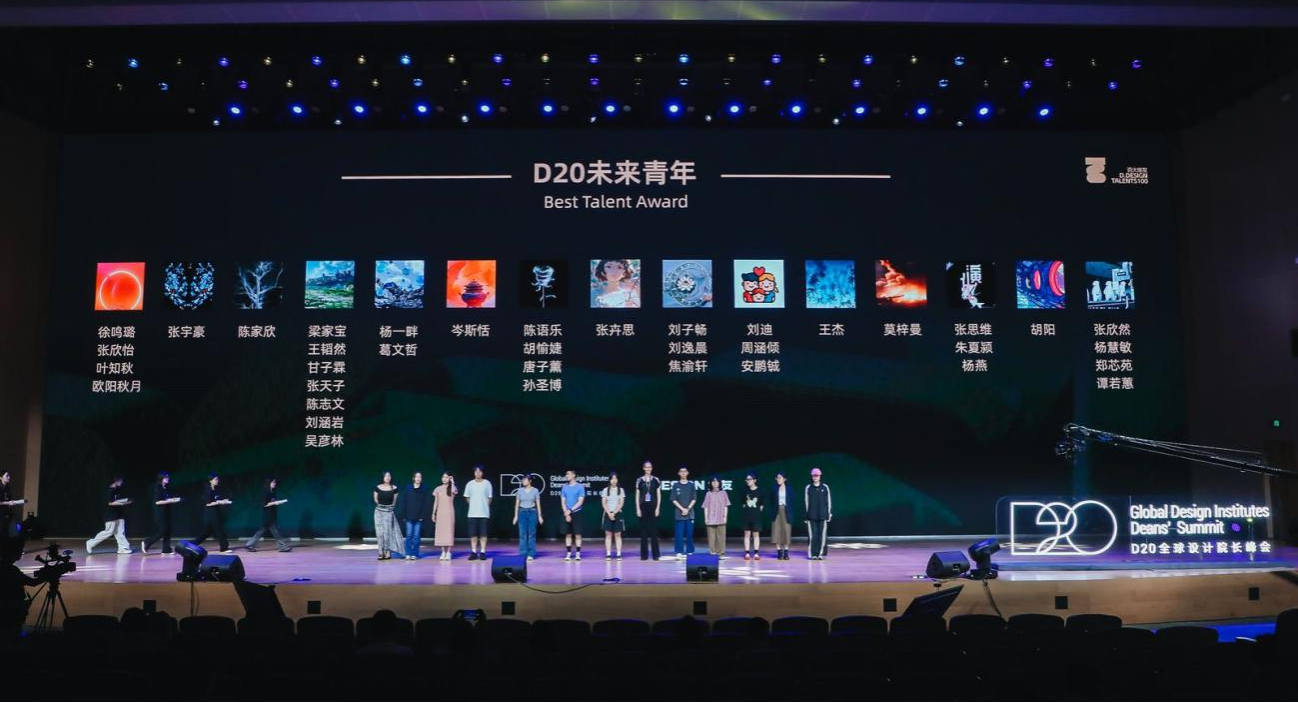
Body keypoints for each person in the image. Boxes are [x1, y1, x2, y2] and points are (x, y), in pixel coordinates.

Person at [86, 475, 132, 555]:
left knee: (120, 532)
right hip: (111, 515)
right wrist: (122, 503)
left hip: (119, 514)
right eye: (121, 481)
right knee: (109, 532)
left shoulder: (117, 489)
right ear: (117, 481)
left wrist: (125, 501)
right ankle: (90, 543)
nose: (122, 482)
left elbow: (117, 500)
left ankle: (123, 548)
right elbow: (110, 503)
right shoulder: (109, 490)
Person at [245, 477, 292, 553]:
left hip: (271, 515)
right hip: (267, 515)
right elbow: (264, 504)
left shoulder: (272, 492)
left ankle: (249, 544)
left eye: (275, 482)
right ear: (269, 483)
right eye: (273, 482)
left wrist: (277, 502)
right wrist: (275, 503)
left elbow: (272, 502)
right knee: (275, 532)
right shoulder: (266, 492)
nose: (275, 484)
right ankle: (282, 547)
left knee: (262, 531)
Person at [141, 471, 180, 555]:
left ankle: (166, 549)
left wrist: (173, 499)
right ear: (161, 478)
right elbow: (157, 502)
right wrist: (171, 501)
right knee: (162, 531)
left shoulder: (165, 487)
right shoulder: (158, 487)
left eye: (168, 477)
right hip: (160, 513)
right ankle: (147, 542)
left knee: (168, 530)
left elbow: (166, 499)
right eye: (166, 477)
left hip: (166, 512)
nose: (168, 479)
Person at [193, 474, 232, 554]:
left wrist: (224, 501)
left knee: (206, 532)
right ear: (210, 480)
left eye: (217, 479)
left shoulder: (216, 489)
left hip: (215, 512)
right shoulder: (208, 490)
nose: (217, 481)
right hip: (210, 513)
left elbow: (217, 500)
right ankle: (224, 548)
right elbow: (208, 503)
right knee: (219, 530)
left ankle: (192, 544)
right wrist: (219, 502)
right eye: (215, 479)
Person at [463, 465, 493, 561]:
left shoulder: (487, 483)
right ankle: (474, 552)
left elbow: (490, 498)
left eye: (479, 471)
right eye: (476, 471)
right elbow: (467, 497)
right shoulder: (470, 484)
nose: (477, 473)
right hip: (472, 513)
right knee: (473, 534)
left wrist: (484, 506)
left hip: (484, 513)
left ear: (482, 473)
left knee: (483, 534)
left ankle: (483, 552)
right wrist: (474, 505)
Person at [634, 461, 661, 561]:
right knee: (643, 532)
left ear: (652, 468)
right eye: (646, 467)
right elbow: (637, 496)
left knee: (654, 532)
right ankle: (644, 555)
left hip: (653, 507)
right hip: (643, 507)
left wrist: (658, 508)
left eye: (650, 467)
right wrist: (638, 508)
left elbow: (659, 495)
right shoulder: (639, 480)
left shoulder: (656, 480)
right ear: (644, 468)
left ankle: (656, 555)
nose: (648, 469)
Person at [401, 472, 431, 560]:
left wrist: (423, 515)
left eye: (420, 477)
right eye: (416, 477)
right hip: (409, 515)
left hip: (419, 516)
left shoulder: (424, 489)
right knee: (408, 535)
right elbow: (404, 501)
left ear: (421, 479)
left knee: (416, 536)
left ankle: (415, 553)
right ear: (413, 478)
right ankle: (408, 553)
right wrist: (404, 515)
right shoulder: (408, 488)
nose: (418, 478)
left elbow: (426, 503)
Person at [373, 472, 402, 561]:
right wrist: (381, 507)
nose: (388, 477)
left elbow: (394, 501)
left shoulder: (394, 488)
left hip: (389, 512)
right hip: (379, 512)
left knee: (387, 533)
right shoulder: (378, 487)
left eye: (389, 476)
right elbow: (375, 499)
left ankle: (387, 552)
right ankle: (381, 552)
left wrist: (389, 509)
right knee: (380, 533)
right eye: (386, 476)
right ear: (383, 477)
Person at [512, 474, 543, 561]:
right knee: (522, 534)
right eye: (523, 479)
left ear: (530, 481)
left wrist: (540, 516)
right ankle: (523, 554)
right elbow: (517, 504)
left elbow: (538, 504)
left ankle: (531, 554)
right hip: (522, 512)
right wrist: (515, 516)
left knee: (531, 534)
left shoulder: (535, 490)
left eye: (525, 479)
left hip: (532, 512)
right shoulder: (520, 491)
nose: (523, 481)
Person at [805, 468, 832, 560]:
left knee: (822, 535)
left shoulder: (825, 487)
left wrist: (829, 514)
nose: (815, 477)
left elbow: (828, 501)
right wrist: (806, 515)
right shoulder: (808, 488)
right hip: (811, 516)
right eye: (814, 475)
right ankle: (813, 554)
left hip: (822, 515)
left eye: (817, 475)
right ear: (812, 477)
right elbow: (806, 502)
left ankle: (820, 554)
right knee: (813, 536)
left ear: (820, 476)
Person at [670, 466, 697, 559]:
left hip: (690, 514)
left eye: (685, 471)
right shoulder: (676, 485)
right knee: (679, 534)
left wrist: (687, 509)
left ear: (687, 473)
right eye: (681, 471)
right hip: (679, 514)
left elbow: (694, 499)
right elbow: (673, 499)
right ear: (679, 473)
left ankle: (690, 550)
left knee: (689, 534)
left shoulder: (691, 485)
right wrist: (682, 509)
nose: (683, 473)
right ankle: (679, 551)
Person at [559, 470, 585, 561]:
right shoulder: (564, 487)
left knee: (578, 534)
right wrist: (566, 513)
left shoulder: (580, 487)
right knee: (568, 534)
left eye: (568, 474)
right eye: (566, 474)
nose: (566, 475)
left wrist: (570, 510)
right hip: (566, 513)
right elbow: (563, 501)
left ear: (574, 475)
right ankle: (569, 553)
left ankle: (578, 554)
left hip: (577, 512)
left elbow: (580, 502)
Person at [431, 471, 458, 560]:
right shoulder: (438, 489)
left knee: (449, 532)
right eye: (443, 477)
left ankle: (449, 552)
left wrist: (452, 482)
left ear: (449, 478)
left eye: (446, 477)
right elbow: (436, 501)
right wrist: (433, 513)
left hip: (449, 513)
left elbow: (454, 491)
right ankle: (443, 552)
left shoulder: (452, 488)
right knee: (441, 532)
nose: (444, 479)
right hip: (440, 513)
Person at [702, 476, 730, 558]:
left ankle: (721, 553)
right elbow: (705, 507)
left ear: (719, 483)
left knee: (721, 537)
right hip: (711, 518)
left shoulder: (723, 493)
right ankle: (712, 553)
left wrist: (725, 517)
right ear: (711, 483)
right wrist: (706, 518)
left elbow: (726, 506)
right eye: (713, 481)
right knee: (711, 538)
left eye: (717, 481)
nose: (715, 483)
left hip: (720, 518)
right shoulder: (708, 493)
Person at [600, 473, 626, 560]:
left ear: (617, 480)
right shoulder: (605, 490)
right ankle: (608, 554)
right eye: (612, 479)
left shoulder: (621, 490)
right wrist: (609, 513)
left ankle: (619, 554)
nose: (614, 481)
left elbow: (621, 503)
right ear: (609, 480)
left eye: (615, 479)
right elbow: (604, 503)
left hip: (618, 514)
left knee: (618, 535)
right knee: (608, 535)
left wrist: (614, 513)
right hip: (607, 514)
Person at [771, 472, 795, 560]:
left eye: (780, 478)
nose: (778, 479)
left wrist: (788, 508)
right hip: (777, 511)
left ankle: (786, 552)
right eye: (777, 478)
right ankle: (779, 552)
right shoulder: (774, 488)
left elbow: (792, 499)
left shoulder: (789, 488)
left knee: (786, 530)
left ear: (784, 479)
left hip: (786, 511)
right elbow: (771, 500)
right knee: (776, 531)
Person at [741, 473, 764, 561]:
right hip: (746, 516)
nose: (748, 481)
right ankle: (747, 553)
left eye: (750, 479)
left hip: (756, 516)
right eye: (747, 479)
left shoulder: (760, 491)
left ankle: (756, 553)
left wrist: (756, 513)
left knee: (756, 535)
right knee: (747, 534)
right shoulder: (744, 491)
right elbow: (743, 504)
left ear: (754, 480)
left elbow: (761, 505)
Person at [0, 471, 25, 540]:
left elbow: (9, 500)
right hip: (1, 513)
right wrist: (8, 503)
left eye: (9, 476)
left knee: (13, 528)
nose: (9, 477)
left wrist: (14, 502)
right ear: (1, 477)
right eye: (7, 476)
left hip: (7, 512)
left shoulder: (8, 487)